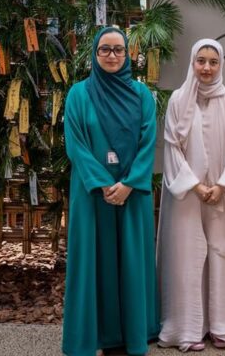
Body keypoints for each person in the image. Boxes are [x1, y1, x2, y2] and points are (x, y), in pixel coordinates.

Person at [62, 27, 159, 356]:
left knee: (131, 261)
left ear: (128, 54)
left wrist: (129, 183)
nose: (112, 55)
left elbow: (148, 141)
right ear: (95, 53)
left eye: (118, 49)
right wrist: (104, 183)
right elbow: (76, 144)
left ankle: (131, 335)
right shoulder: (78, 95)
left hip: (132, 193)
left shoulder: (142, 95)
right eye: (105, 49)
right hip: (93, 193)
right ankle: (92, 337)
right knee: (92, 261)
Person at [157, 39, 225, 352]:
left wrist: (222, 185)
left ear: (221, 65)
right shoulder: (178, 99)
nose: (207, 68)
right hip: (187, 194)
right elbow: (172, 147)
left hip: (221, 192)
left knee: (220, 253)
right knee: (187, 255)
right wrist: (195, 185)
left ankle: (222, 324)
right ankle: (187, 328)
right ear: (192, 62)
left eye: (213, 62)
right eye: (201, 60)